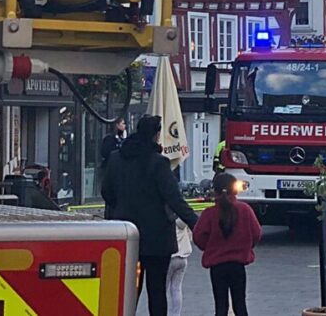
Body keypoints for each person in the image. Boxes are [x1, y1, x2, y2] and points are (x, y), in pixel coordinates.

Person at [102, 115, 198, 316]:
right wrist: (196, 224)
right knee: (156, 291)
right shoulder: (158, 163)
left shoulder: (115, 158)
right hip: (156, 238)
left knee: (128, 291)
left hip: (125, 234)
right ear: (156, 135)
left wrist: (122, 208)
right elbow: (174, 198)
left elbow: (106, 192)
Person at [193, 172, 263, 316]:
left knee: (220, 307)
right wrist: (246, 246)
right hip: (238, 265)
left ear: (215, 191)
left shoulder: (209, 213)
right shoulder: (245, 210)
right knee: (240, 306)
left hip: (217, 266)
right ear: (235, 189)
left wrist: (210, 246)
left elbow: (198, 236)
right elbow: (256, 233)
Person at [167, 219, 191, 316]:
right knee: (176, 288)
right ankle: (176, 314)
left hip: (169, 258)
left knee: (162, 289)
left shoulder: (166, 222)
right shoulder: (183, 222)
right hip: (182, 257)